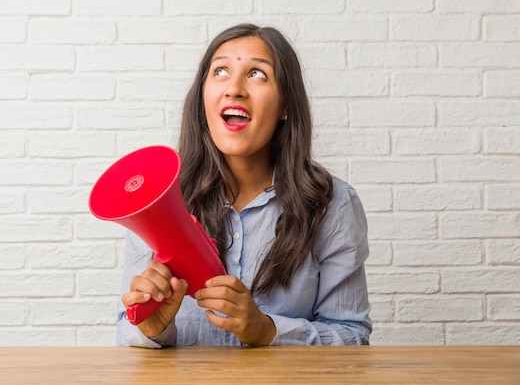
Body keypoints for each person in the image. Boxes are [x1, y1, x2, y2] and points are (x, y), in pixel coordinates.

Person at [117, 23, 371, 347]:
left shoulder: (333, 204)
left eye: (257, 74)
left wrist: (268, 331)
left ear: (286, 105)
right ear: (202, 98)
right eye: (220, 70)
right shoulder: (159, 201)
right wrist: (151, 329)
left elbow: (352, 337)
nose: (234, 87)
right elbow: (126, 331)